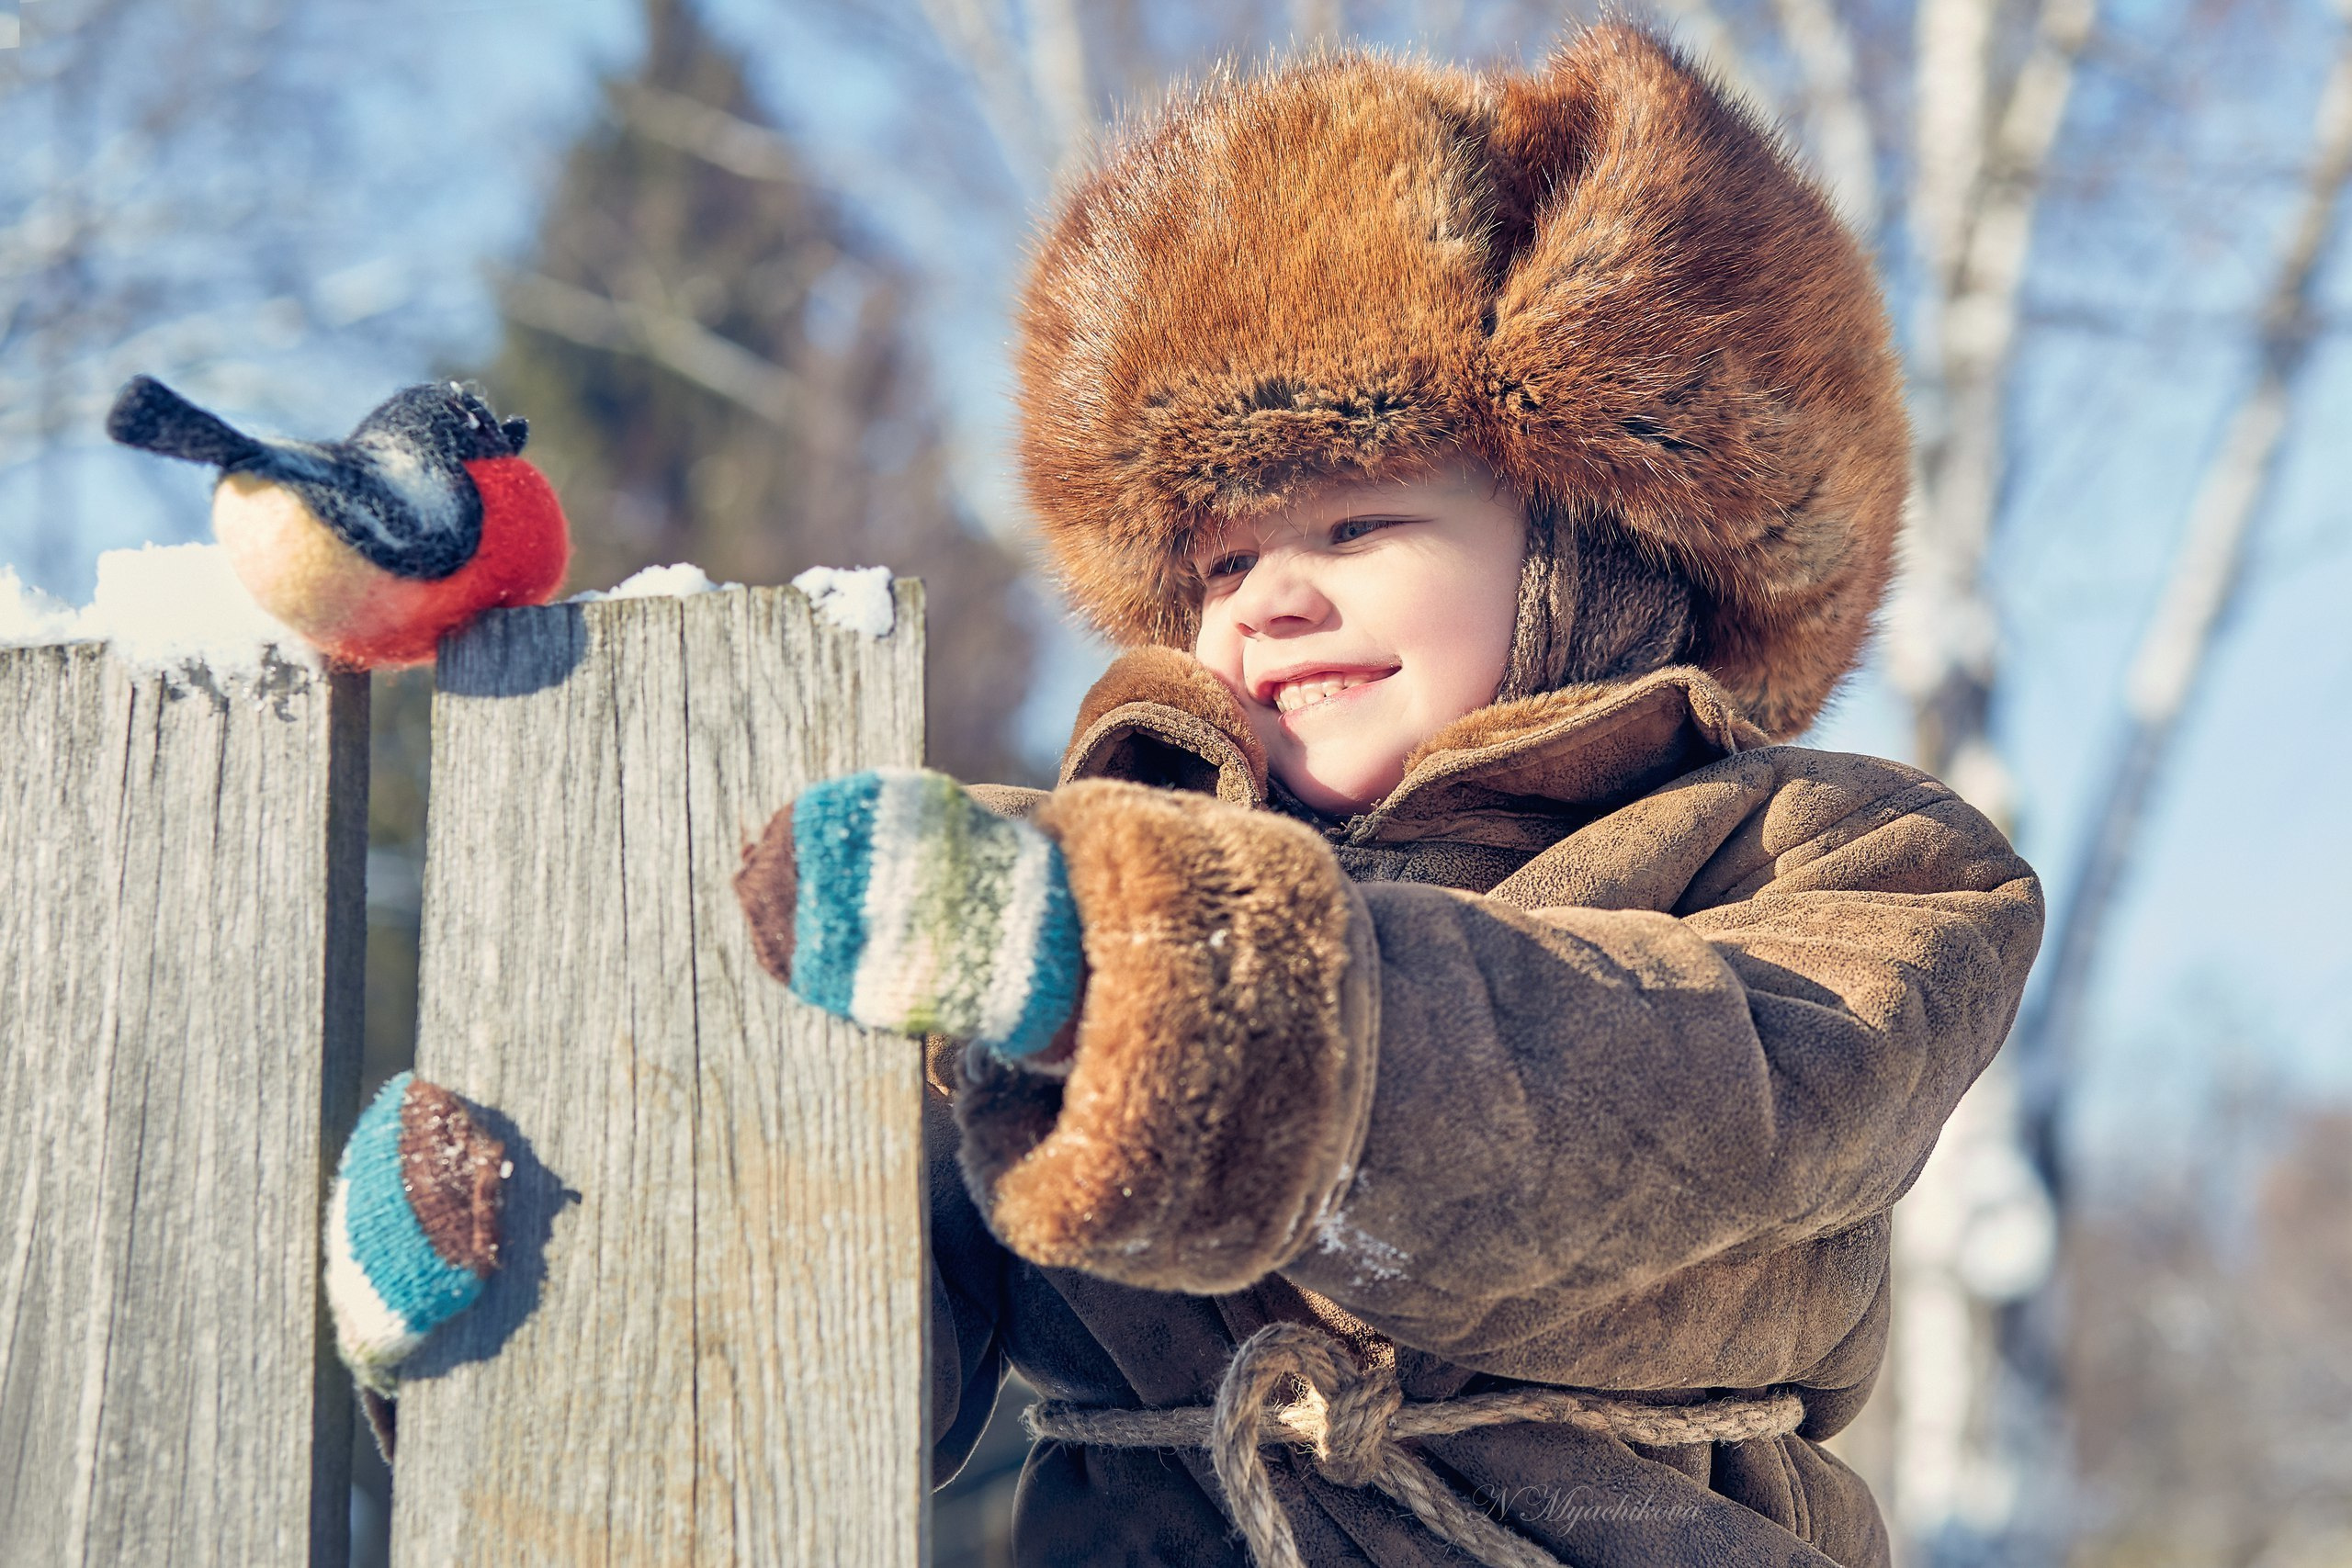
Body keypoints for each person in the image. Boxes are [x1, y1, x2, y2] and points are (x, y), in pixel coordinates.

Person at [333, 20, 2043, 1565]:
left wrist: (1175, 977)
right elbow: (834, 1348)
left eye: (1356, 522)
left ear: (1596, 539)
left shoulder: (1844, 867)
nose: (1270, 601)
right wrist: (543, 1319)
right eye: (1221, 562)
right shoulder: (1059, 935)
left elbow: (1688, 1103)